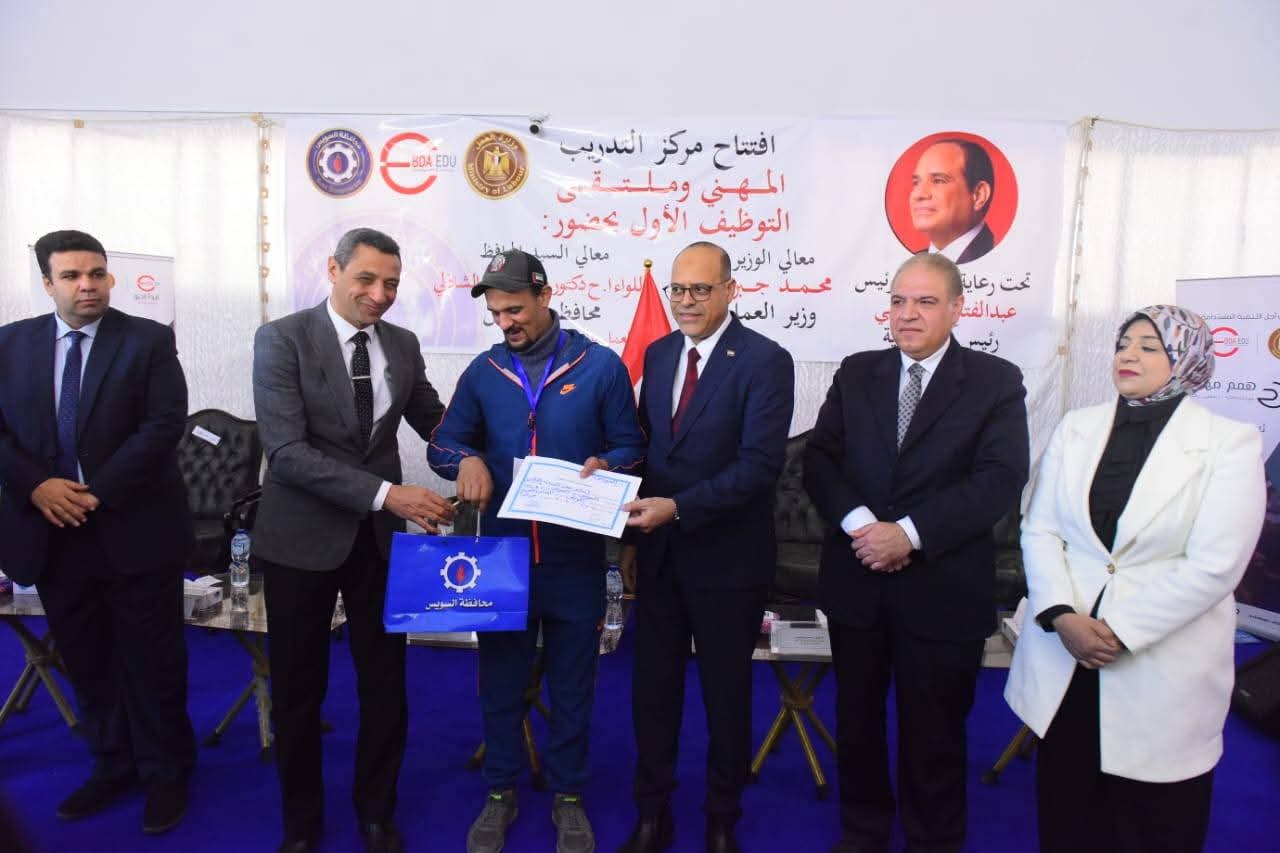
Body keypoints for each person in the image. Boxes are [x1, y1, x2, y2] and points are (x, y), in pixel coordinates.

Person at [1004, 305, 1266, 853]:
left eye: (1150, 347)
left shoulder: (1229, 442)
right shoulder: (1077, 427)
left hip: (1158, 664)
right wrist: (1061, 615)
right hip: (1067, 656)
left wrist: (1119, 631)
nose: (1129, 355)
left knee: (1153, 821)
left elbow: (1216, 564)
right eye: (1124, 344)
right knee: (1069, 814)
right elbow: (1040, 528)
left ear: (1187, 359)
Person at [804, 252, 1029, 853]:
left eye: (925, 302)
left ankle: (933, 840)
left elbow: (1000, 478)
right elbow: (820, 459)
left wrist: (908, 533)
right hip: (859, 582)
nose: (907, 314)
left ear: (957, 308)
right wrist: (863, 527)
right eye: (898, 300)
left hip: (942, 589)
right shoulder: (857, 372)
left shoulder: (995, 381)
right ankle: (863, 833)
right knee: (857, 723)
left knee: (935, 734)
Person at [427, 249, 645, 853]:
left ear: (546, 297)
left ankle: (568, 795)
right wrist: (466, 460)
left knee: (574, 687)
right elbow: (444, 443)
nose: (506, 323)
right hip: (503, 559)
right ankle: (500, 791)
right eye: (496, 313)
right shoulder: (484, 372)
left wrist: (609, 465)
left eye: (516, 310)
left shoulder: (599, 367)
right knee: (500, 684)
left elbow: (632, 447)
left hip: (576, 560)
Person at [252, 227, 455, 853]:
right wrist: (389, 494)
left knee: (385, 684)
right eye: (366, 279)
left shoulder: (403, 343)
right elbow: (286, 453)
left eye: (391, 283)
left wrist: (488, 456)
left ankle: (376, 811)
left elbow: (439, 427)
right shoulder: (282, 339)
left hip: (378, 546)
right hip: (300, 540)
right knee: (298, 690)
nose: (380, 294)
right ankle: (301, 823)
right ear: (333, 269)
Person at [0, 229, 196, 835]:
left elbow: (164, 424)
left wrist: (96, 492)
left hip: (134, 528)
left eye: (97, 273)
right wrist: (38, 486)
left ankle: (166, 772)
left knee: (153, 662)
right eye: (72, 276)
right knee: (87, 660)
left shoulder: (148, 340)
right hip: (52, 534)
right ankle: (113, 762)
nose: (88, 285)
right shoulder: (10, 343)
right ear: (47, 283)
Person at [619, 241, 795, 853]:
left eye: (700, 289)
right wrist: (626, 522)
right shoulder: (659, 353)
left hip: (728, 561)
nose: (686, 301)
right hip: (660, 558)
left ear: (729, 290)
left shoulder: (766, 360)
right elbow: (650, 453)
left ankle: (722, 818)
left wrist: (679, 508)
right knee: (652, 693)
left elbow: (759, 466)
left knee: (726, 698)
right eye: (678, 289)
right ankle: (652, 814)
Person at [909, 139, 996, 264]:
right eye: (916, 183)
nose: (918, 194)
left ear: (978, 195)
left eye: (938, 181)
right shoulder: (911, 263)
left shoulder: (1000, 260)